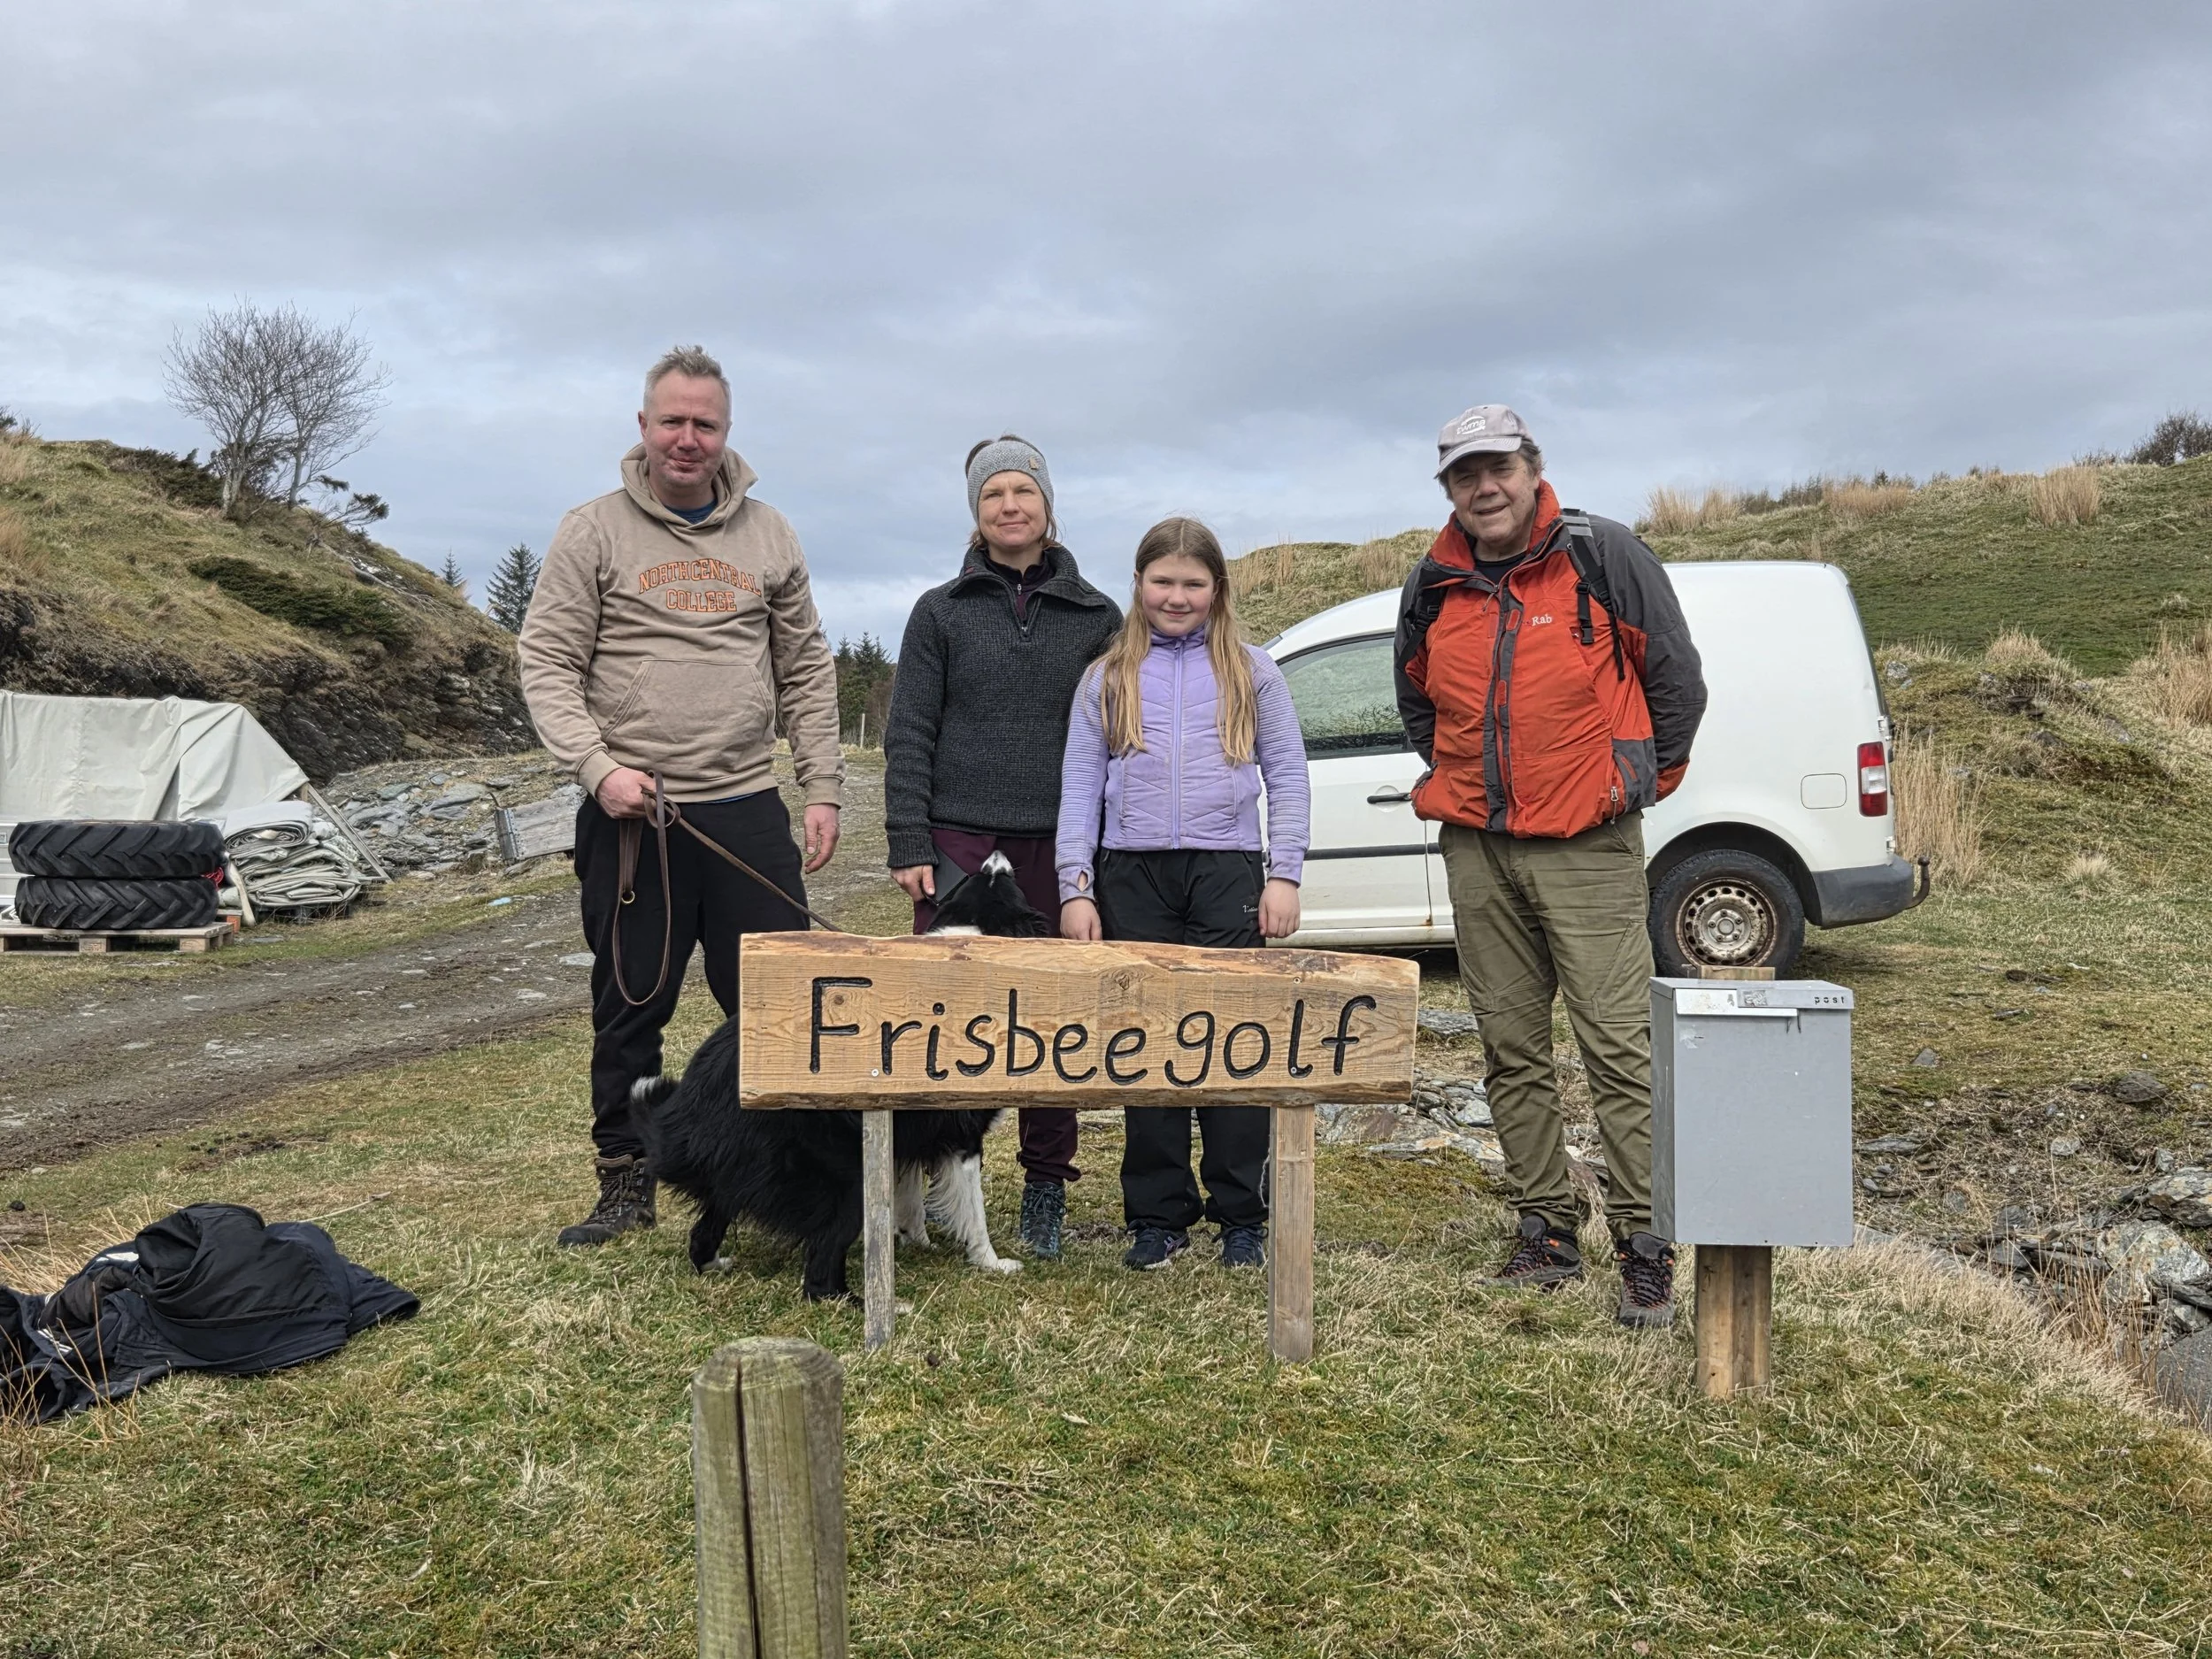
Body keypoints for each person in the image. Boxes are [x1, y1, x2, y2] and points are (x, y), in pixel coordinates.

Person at [518, 345, 843, 1248]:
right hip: (635, 813)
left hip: (745, 803)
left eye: (704, 423)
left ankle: (786, 1172)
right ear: (643, 427)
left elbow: (806, 670)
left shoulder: (770, 535)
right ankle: (625, 1182)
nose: (687, 439)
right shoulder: (592, 531)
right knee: (631, 1009)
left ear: (726, 433)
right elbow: (545, 661)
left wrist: (821, 787)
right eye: (672, 421)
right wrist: (597, 769)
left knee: (777, 1006)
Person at [1393, 404, 1706, 1327]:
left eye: (1498, 467)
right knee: (1510, 1048)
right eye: (1463, 474)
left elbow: (1674, 683)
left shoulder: (1604, 555)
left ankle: (1646, 1246)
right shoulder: (1432, 582)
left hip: (1586, 845)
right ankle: (1547, 1231)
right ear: (1447, 488)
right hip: (1478, 848)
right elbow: (1418, 703)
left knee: (1617, 1049)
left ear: (1531, 468)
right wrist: (1461, 781)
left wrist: (1627, 785)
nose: (1483, 486)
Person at [882, 434, 1122, 1259]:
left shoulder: (1097, 617)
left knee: (1050, 1026)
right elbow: (909, 730)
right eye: (994, 495)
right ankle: (915, 1191)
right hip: (953, 842)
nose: (1010, 506)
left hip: (1058, 844)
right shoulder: (939, 612)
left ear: (1048, 506)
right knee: (936, 1024)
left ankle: (1046, 1188)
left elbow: (1118, 737)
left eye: (1024, 490)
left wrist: (1099, 856)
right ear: (977, 513)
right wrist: (909, 836)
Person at [1056, 516, 1310, 1271]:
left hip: (1227, 868)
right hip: (1131, 873)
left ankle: (1242, 1216)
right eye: (1162, 581)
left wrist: (1284, 873)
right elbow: (1079, 786)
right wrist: (1077, 886)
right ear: (1138, 585)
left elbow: (1287, 775)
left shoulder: (1253, 671)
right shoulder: (1106, 676)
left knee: (1236, 1043)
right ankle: (1157, 1216)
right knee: (1146, 1043)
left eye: (1192, 582)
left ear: (1217, 588)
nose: (1176, 596)